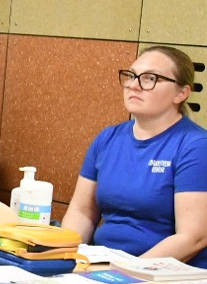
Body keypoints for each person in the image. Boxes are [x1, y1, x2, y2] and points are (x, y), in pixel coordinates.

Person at [63, 46, 207, 268]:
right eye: (131, 76)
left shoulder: (195, 146)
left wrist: (125, 271)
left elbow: (193, 237)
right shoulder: (108, 138)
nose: (133, 85)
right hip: (102, 263)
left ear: (181, 93)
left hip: (160, 273)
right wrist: (62, 257)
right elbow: (82, 212)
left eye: (150, 78)